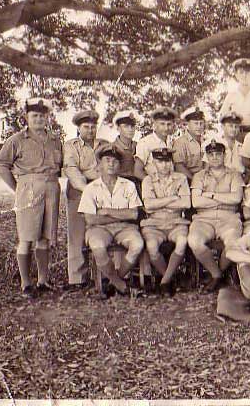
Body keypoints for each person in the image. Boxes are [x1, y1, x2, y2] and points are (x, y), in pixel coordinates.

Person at [0, 98, 62, 299]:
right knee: (26, 238)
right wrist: (17, 188)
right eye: (35, 115)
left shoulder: (55, 140)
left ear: (48, 117)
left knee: (45, 238)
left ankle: (43, 280)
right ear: (27, 117)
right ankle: (26, 283)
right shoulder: (16, 140)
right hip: (28, 188)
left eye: (43, 115)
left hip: (51, 188)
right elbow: (1, 166)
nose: (39, 119)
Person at [78, 146, 144, 297]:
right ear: (99, 164)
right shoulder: (91, 188)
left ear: (119, 165)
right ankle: (122, 285)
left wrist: (107, 211)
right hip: (98, 229)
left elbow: (133, 214)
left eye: (115, 161)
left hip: (125, 228)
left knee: (138, 244)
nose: (111, 164)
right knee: (97, 246)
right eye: (107, 160)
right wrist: (121, 214)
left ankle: (113, 282)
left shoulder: (128, 185)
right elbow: (90, 218)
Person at [188, 140, 244, 293]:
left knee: (233, 242)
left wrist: (209, 195)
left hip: (229, 218)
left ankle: (216, 276)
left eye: (218, 154)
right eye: (211, 154)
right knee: (194, 241)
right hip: (203, 219)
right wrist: (223, 197)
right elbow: (196, 201)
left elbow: (236, 199)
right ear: (206, 156)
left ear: (224, 155)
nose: (214, 157)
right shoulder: (199, 176)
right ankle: (218, 274)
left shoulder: (235, 175)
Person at [63, 109, 109, 290]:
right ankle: (77, 278)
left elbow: (109, 167)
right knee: (77, 235)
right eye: (86, 127)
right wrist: (88, 187)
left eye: (93, 127)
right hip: (79, 192)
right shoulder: (71, 146)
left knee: (102, 230)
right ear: (78, 128)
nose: (90, 130)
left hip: (103, 191)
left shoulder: (104, 144)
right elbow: (72, 170)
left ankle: (105, 274)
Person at [140, 148, 192, 297]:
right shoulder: (148, 180)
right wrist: (173, 198)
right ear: (154, 163)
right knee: (151, 246)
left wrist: (159, 203)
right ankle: (170, 278)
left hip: (176, 221)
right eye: (160, 162)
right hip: (154, 224)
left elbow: (186, 203)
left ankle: (164, 282)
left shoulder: (180, 178)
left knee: (182, 241)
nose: (164, 165)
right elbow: (148, 206)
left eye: (167, 162)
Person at [220, 58, 250, 142]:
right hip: (235, 136)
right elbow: (222, 119)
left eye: (247, 72)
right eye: (241, 72)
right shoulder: (231, 96)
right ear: (236, 75)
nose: (244, 75)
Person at [135, 106, 177, 180]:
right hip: (153, 185)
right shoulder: (145, 143)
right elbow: (137, 172)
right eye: (162, 124)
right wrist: (153, 184)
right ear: (155, 125)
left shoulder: (172, 142)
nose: (166, 128)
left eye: (169, 124)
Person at [172, 106, 205, 182]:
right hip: (188, 181)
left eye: (201, 123)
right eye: (196, 123)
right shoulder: (180, 143)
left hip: (206, 180)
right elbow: (179, 167)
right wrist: (195, 181)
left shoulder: (207, 140)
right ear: (187, 124)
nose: (199, 126)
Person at [111, 110, 138, 181]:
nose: (130, 129)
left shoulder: (139, 146)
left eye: (132, 126)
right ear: (118, 128)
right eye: (126, 126)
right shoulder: (112, 148)